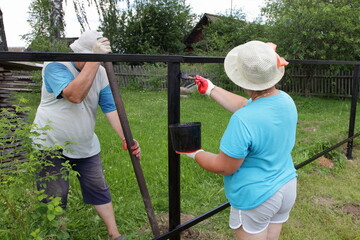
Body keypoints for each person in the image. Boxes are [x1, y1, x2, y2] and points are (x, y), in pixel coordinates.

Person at [177, 40, 298, 240]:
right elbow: (247, 104)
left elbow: (225, 167)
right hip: (285, 186)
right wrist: (211, 89)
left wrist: (195, 153)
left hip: (257, 197)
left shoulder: (243, 120)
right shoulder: (285, 100)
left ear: (240, 78)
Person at [32, 30, 140, 240]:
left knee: (98, 187)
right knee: (55, 194)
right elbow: (75, 95)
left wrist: (126, 137)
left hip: (84, 143)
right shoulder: (55, 66)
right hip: (50, 143)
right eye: (88, 57)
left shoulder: (99, 72)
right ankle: (59, 235)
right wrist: (94, 60)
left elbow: (110, 106)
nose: (87, 61)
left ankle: (114, 234)